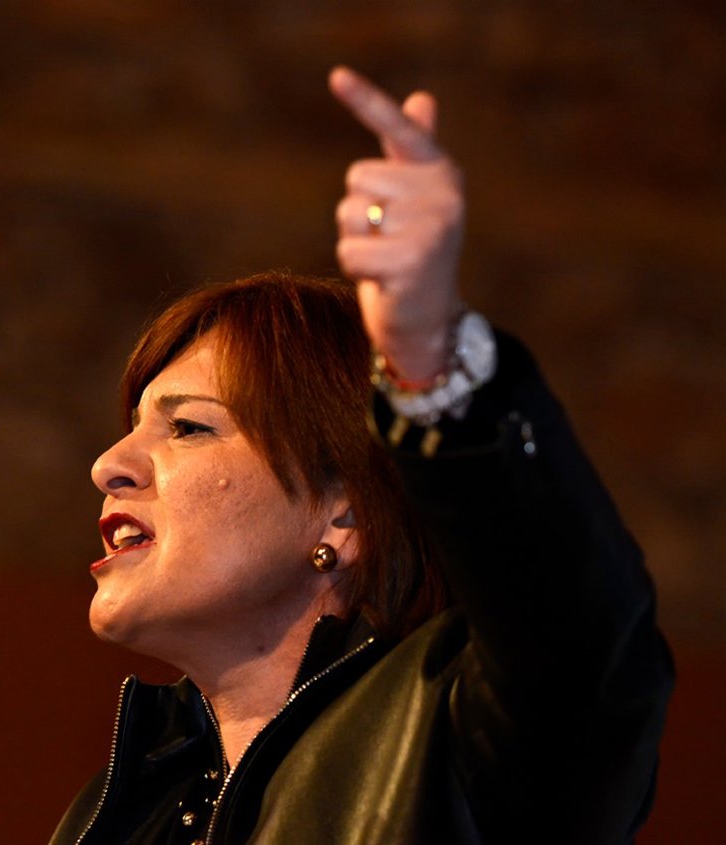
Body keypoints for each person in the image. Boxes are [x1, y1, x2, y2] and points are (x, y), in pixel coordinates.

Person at [49, 67, 673, 844]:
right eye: (136, 424)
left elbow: (581, 640)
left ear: (344, 512)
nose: (109, 462)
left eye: (190, 428)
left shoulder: (460, 741)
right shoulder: (116, 811)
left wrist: (433, 366)